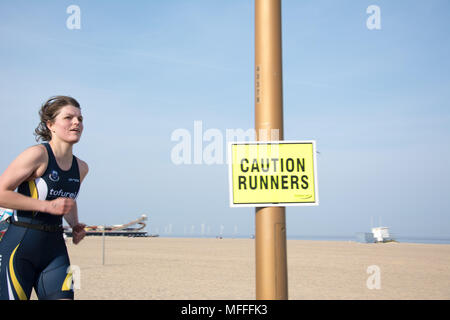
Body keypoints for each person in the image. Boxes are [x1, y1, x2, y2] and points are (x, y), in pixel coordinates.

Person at [0, 96, 89, 300]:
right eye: (68, 117)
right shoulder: (37, 155)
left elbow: (68, 200)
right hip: (20, 245)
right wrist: (46, 206)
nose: (77, 122)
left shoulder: (82, 167)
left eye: (80, 119)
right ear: (51, 125)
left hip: (55, 249)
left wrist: (75, 224)